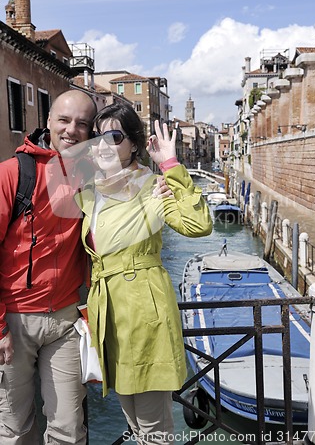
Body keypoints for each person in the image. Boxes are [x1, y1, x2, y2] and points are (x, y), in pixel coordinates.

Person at [76, 102, 213, 445]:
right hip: (108, 314)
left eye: (115, 136)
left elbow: (198, 224)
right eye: (98, 137)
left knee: (153, 431)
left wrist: (170, 165)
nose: (104, 145)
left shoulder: (152, 185)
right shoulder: (90, 193)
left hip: (144, 310)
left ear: (133, 144)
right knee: (135, 425)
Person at [0, 89, 98, 444]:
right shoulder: (12, 173)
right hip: (14, 320)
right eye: (64, 120)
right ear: (48, 122)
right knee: (15, 430)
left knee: (70, 429)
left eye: (82, 124)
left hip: (66, 319)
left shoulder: (89, 174)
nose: (72, 130)